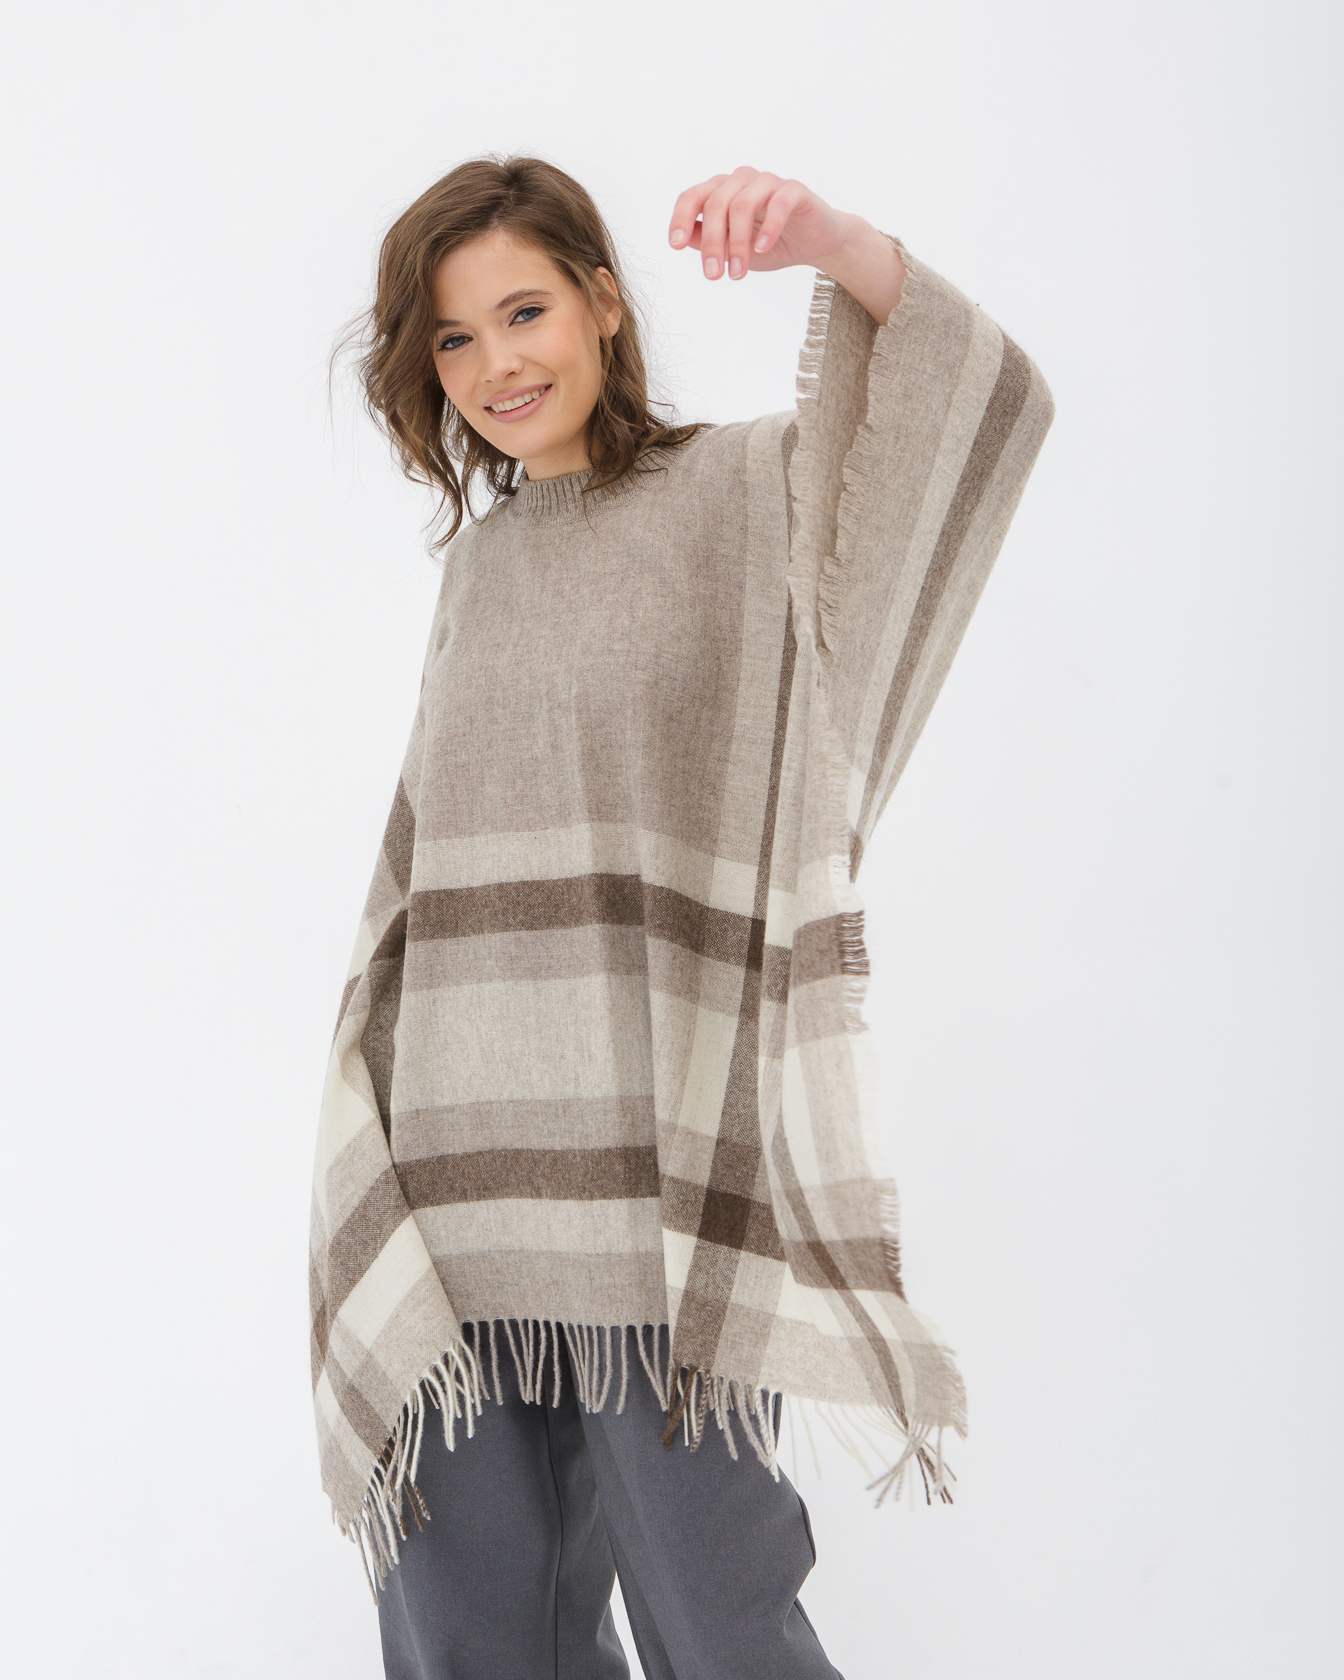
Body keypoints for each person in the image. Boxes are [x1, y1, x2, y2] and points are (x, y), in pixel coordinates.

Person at [310, 155, 1054, 1680]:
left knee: (717, 1615)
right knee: (471, 1632)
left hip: (658, 1175)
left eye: (525, 311)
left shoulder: (739, 495)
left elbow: (983, 397)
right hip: (453, 1179)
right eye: (455, 338)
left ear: (603, 302)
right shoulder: (482, 566)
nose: (498, 364)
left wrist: (829, 240)